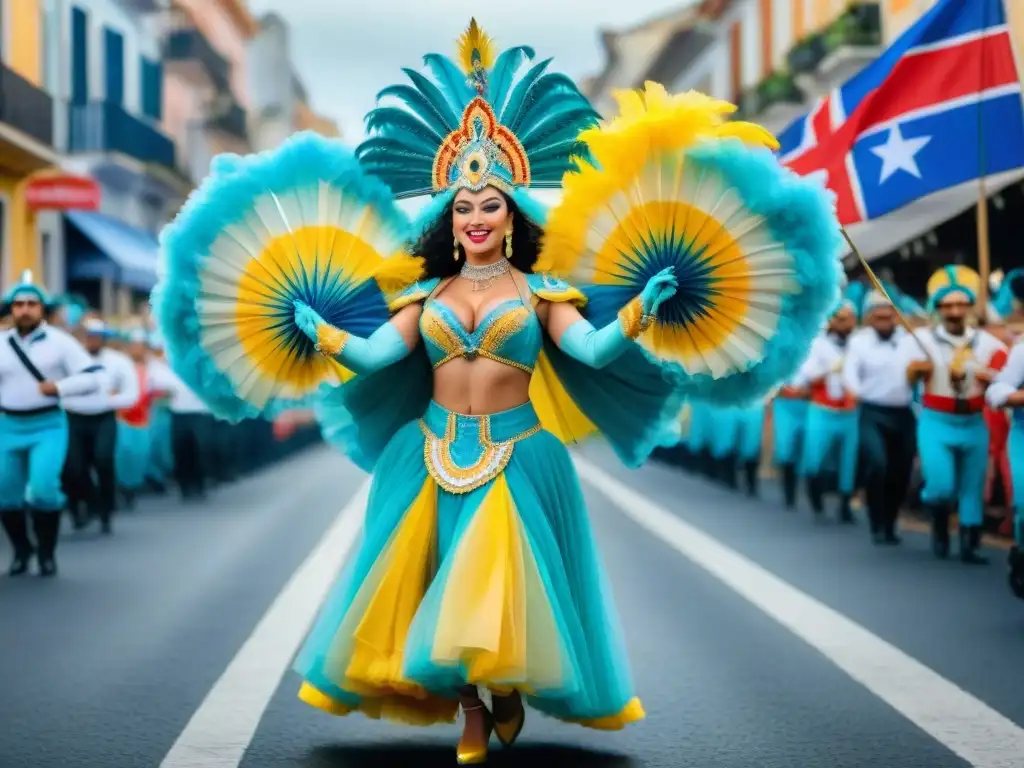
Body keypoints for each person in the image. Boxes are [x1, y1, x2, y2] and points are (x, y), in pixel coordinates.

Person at [153, 20, 841, 763]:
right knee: (439, 591)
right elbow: (380, 354)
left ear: (512, 216)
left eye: (490, 206)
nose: (476, 218)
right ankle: (472, 717)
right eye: (464, 207)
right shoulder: (422, 293)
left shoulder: (548, 292)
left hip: (518, 456)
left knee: (487, 591)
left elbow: (594, 347)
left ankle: (500, 696)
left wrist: (643, 306)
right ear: (449, 217)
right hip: (428, 455)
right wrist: (319, 332)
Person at [0, 271, 102, 576]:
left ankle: (46, 553)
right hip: (8, 425)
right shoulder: (2, 343)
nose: (25, 309)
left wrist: (59, 388)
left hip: (47, 424)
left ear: (42, 308)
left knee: (44, 488)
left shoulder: (61, 342)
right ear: (11, 308)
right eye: (19, 304)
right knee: (6, 493)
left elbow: (94, 377)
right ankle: (21, 550)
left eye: (32, 303)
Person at [905, 266, 1006, 564]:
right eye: (948, 305)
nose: (955, 310)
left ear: (970, 307)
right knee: (941, 485)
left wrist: (988, 378)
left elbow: (1005, 380)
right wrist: (916, 371)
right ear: (938, 308)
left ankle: (970, 544)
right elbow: (906, 379)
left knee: (972, 486)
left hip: (973, 420)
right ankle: (938, 524)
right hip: (936, 420)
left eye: (961, 304)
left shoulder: (987, 344)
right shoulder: (921, 340)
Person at [842, 290, 915, 545]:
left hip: (904, 414)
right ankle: (876, 522)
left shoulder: (910, 340)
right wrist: (854, 392)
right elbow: (850, 373)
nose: (884, 320)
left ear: (895, 316)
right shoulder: (859, 341)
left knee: (901, 471)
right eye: (879, 315)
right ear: (870, 317)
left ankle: (891, 521)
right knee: (877, 464)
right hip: (872, 412)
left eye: (889, 315)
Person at [61, 318, 140, 533]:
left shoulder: (118, 361)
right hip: (73, 417)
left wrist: (109, 401)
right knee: (74, 467)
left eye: (96, 336)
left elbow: (132, 393)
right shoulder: (68, 359)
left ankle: (106, 512)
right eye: (87, 336)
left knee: (103, 460)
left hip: (103, 418)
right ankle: (81, 506)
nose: (91, 340)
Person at [796, 301, 860, 523]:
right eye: (840, 319)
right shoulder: (818, 344)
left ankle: (845, 505)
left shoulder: (860, 344)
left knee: (848, 461)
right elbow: (804, 377)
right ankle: (816, 498)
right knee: (815, 457)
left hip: (850, 411)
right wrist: (827, 369)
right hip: (822, 409)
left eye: (849, 318)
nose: (845, 323)